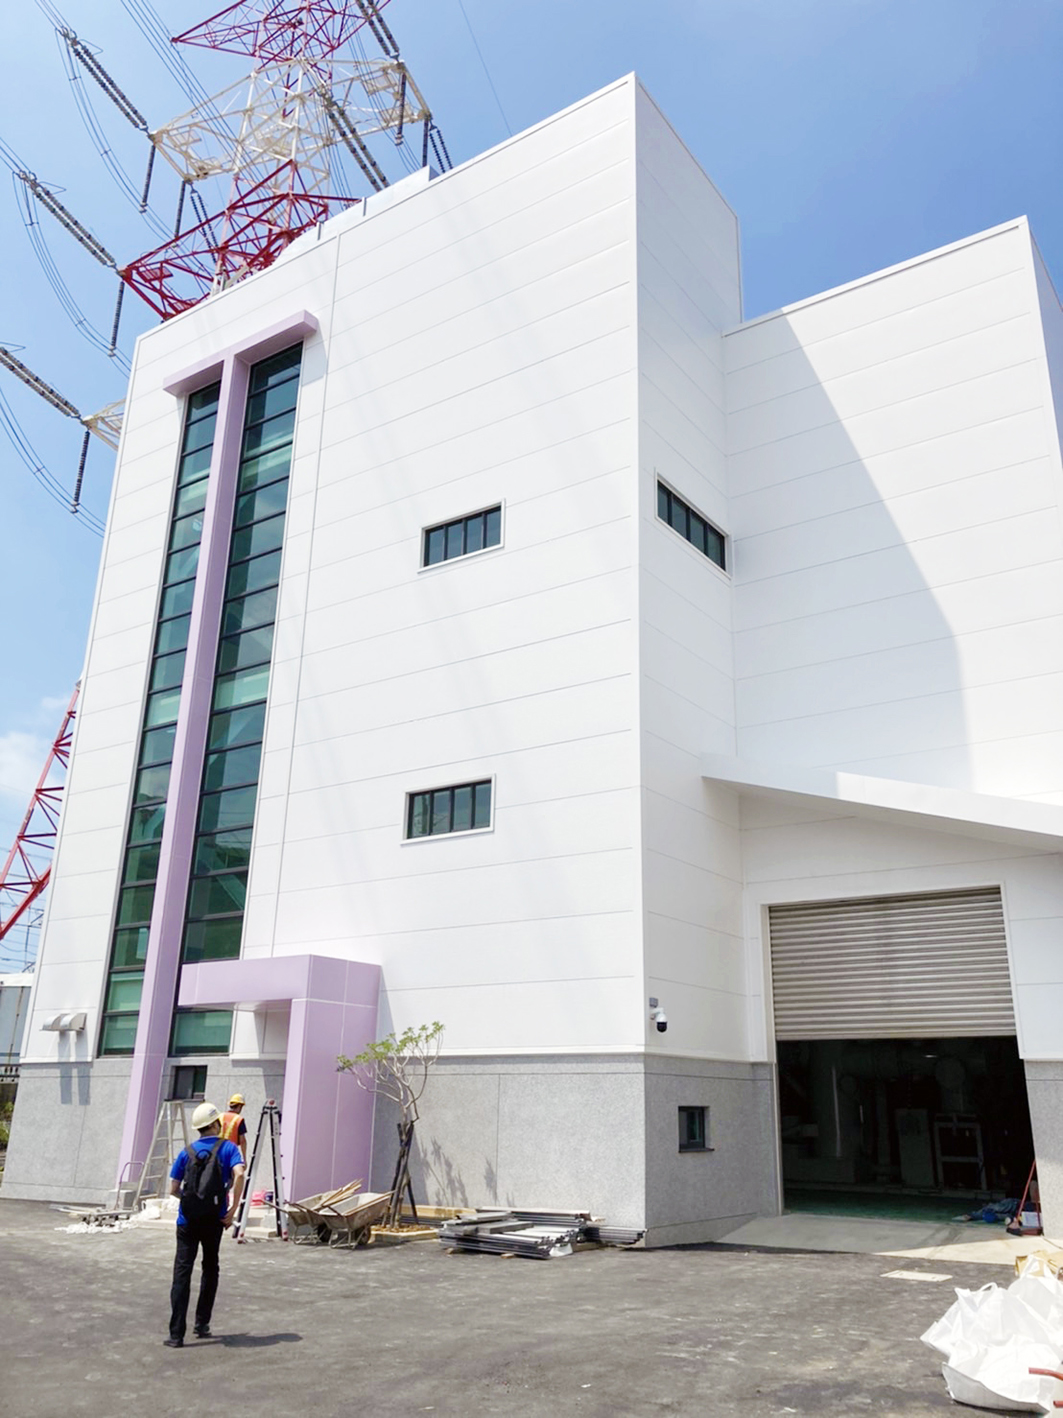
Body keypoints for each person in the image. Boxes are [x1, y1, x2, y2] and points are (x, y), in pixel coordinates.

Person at [165, 1101, 246, 1348]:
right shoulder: (229, 1148)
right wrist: (231, 1210)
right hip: (215, 1219)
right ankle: (202, 1324)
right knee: (210, 1268)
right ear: (216, 1124)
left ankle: (176, 1334)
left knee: (182, 1271)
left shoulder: (186, 1151)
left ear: (198, 1128)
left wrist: (191, 1201)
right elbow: (240, 1174)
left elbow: (173, 1188)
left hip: (187, 1221)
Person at [220, 1093, 248, 1162]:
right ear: (239, 1106)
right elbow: (242, 1141)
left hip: (217, 1151)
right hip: (230, 1153)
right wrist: (244, 1159)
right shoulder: (239, 1119)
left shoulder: (220, 1116)